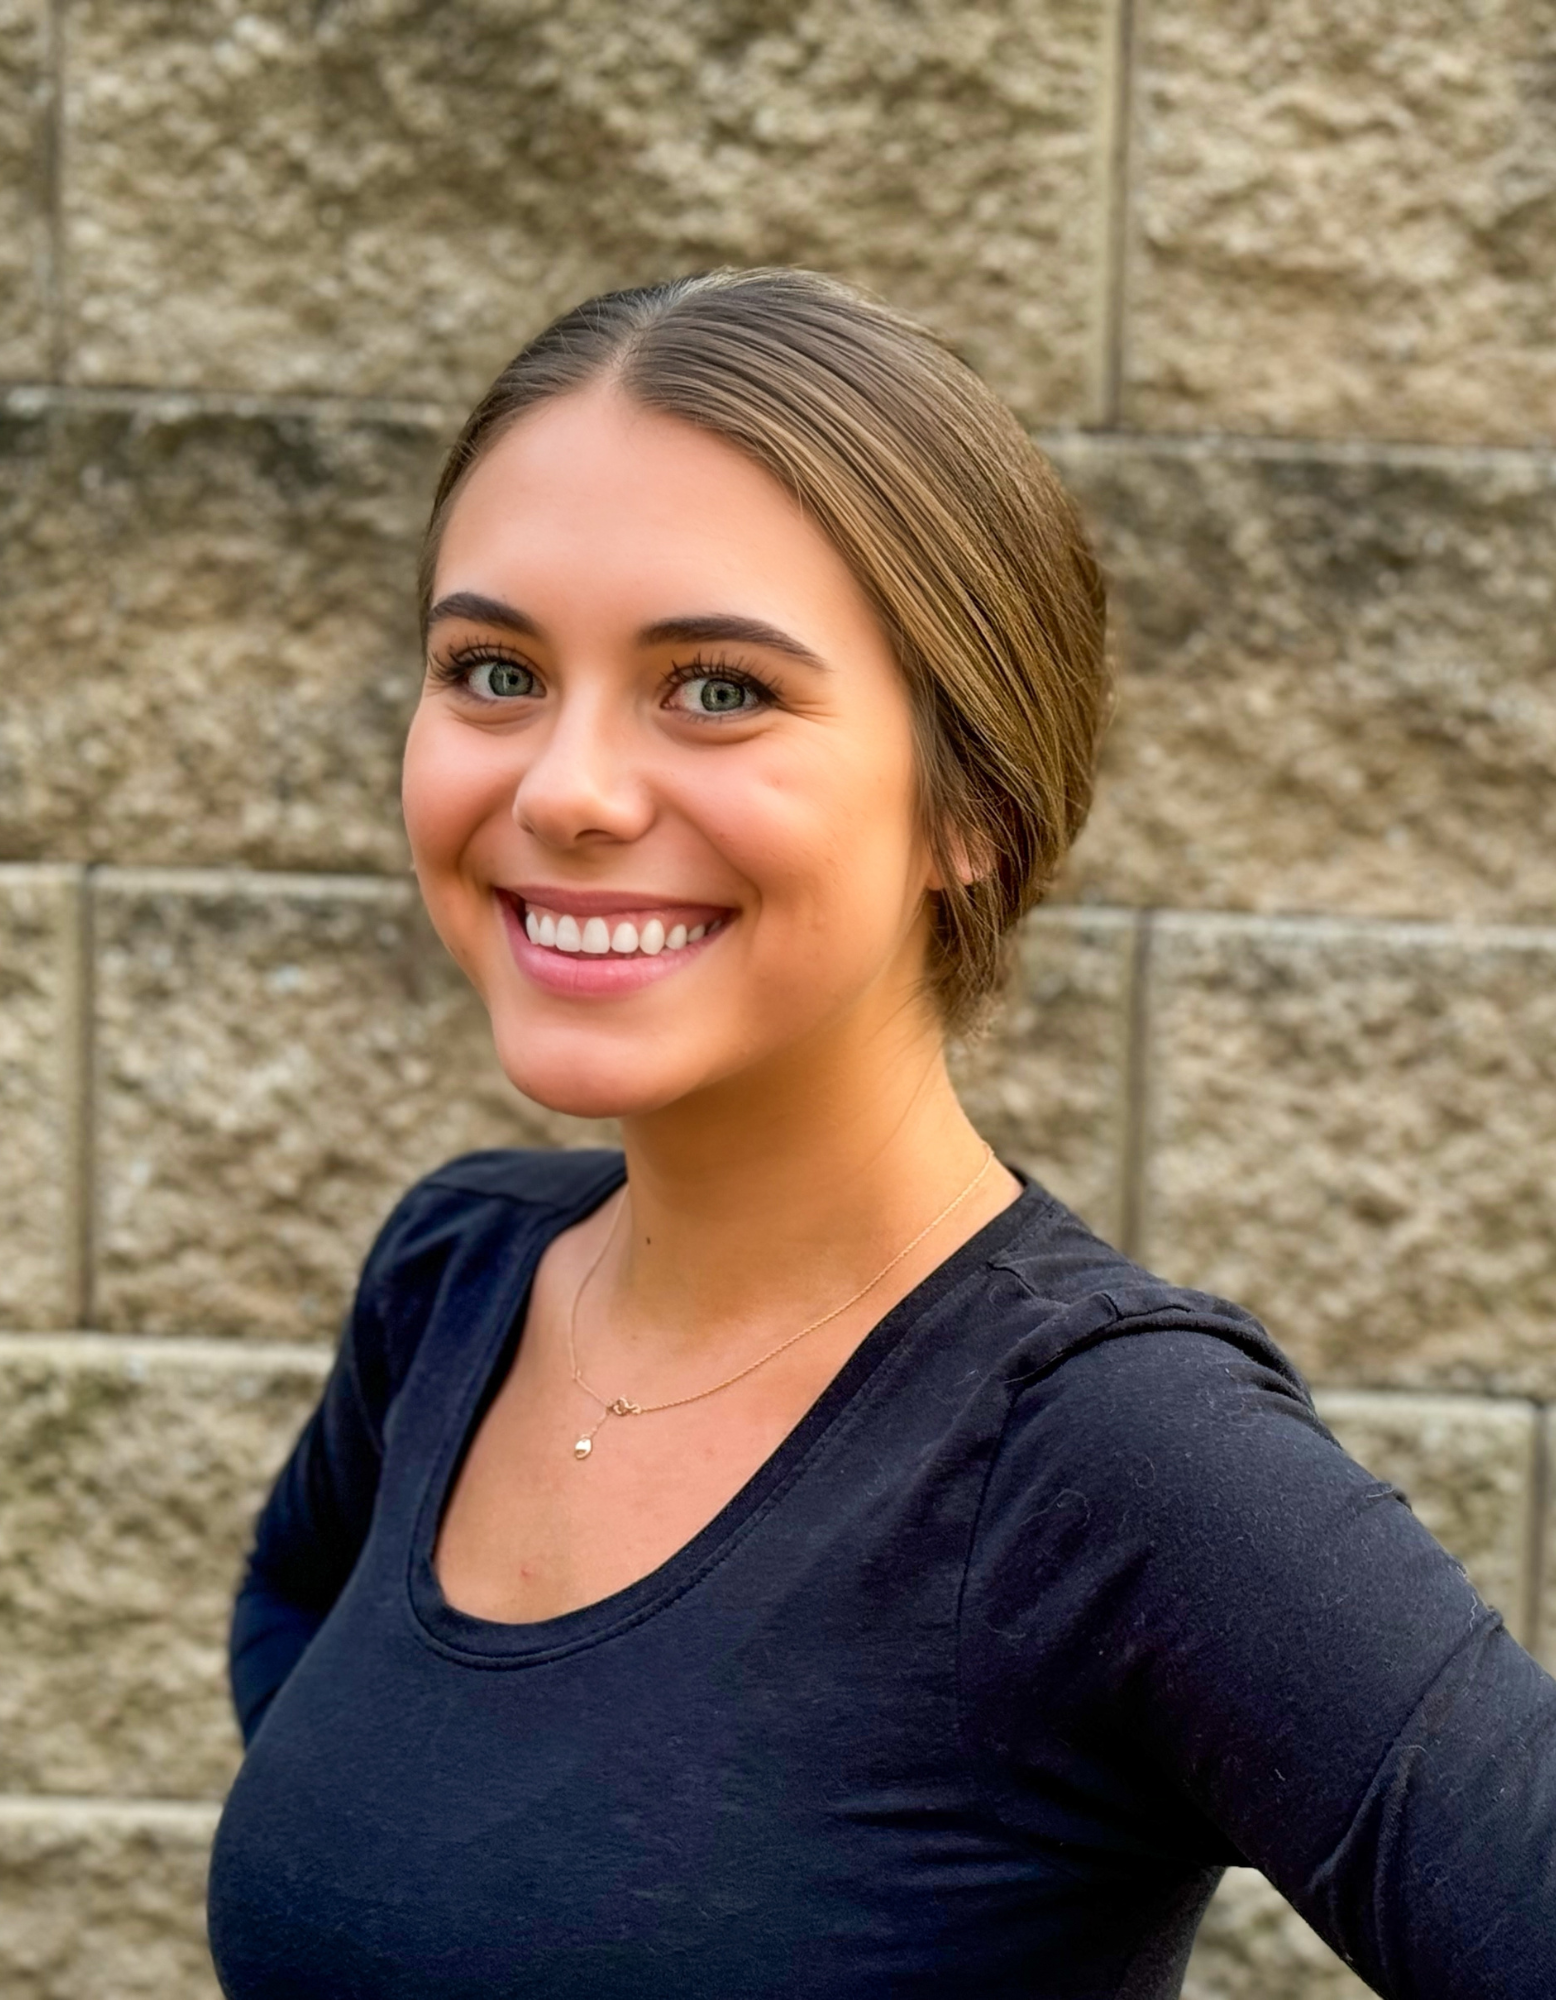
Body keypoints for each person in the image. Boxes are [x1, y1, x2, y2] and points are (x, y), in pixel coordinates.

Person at [205, 269, 1556, 1999]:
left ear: (970, 805)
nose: (566, 789)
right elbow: (304, 1651)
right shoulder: (454, 1278)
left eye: (717, 690)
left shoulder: (1115, 1459)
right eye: (494, 670)